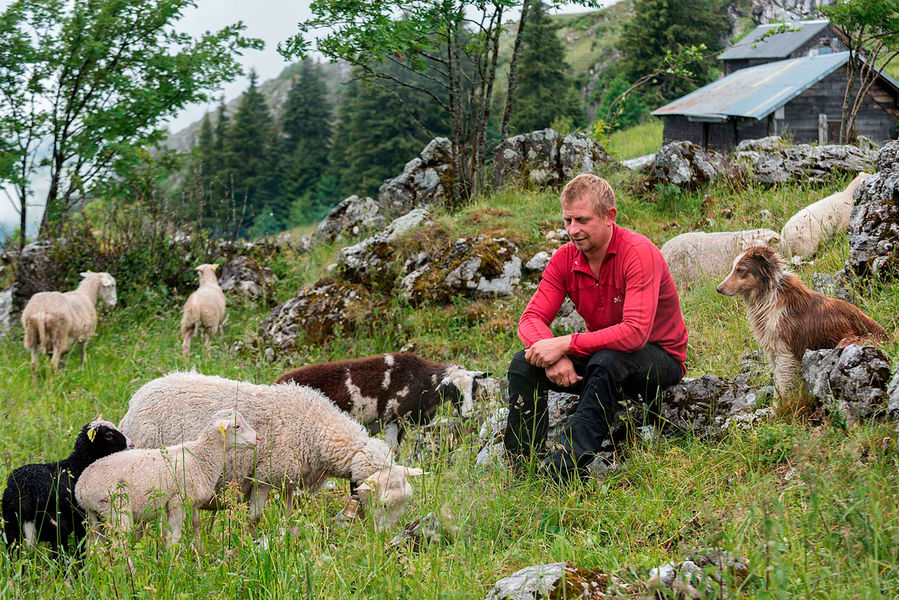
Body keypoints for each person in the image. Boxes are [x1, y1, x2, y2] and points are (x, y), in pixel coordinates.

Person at [504, 174, 688, 483]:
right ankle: (523, 466)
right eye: (567, 221)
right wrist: (552, 356)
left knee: (606, 361)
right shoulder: (565, 259)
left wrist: (566, 344)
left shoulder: (638, 253)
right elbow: (531, 318)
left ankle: (564, 469)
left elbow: (634, 333)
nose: (573, 230)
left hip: (659, 361)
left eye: (582, 220)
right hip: (605, 355)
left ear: (609, 216)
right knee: (524, 363)